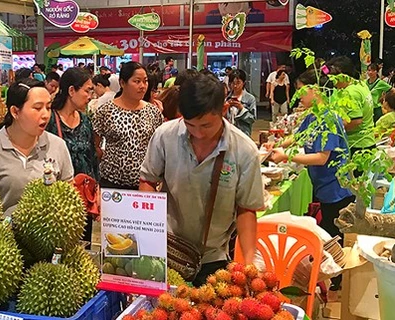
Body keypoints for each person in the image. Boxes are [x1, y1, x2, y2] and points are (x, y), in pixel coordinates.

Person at [139, 74, 264, 286]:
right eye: (190, 125)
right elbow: (148, 180)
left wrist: (251, 261)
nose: (197, 133)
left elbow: (246, 209)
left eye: (206, 125)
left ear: (223, 111)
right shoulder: (165, 136)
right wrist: (150, 229)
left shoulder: (244, 150)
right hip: (168, 248)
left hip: (213, 256)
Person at [267, 69, 354, 293]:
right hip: (324, 185)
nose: (299, 97)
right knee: (326, 229)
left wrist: (286, 156)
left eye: (301, 91)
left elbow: (321, 157)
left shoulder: (329, 117)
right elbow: (298, 136)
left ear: (314, 90)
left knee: (332, 234)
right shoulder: (314, 114)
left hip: (336, 186)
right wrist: (276, 146)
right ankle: (327, 277)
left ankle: (335, 279)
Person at [0, 79, 74, 216]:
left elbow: (69, 196)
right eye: (38, 108)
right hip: (0, 236)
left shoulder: (58, 146)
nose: (45, 115)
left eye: (48, 107)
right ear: (15, 112)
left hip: (48, 234)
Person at [46, 68, 99, 245]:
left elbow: (92, 157)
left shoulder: (86, 122)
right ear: (71, 91)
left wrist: (96, 189)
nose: (90, 96)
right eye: (87, 90)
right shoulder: (50, 120)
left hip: (84, 199)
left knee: (83, 246)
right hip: (58, 201)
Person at [93, 61, 163, 190]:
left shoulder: (153, 112)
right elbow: (95, 144)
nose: (143, 86)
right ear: (122, 83)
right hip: (111, 183)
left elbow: (158, 147)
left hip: (144, 184)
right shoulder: (106, 110)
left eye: (145, 81)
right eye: (137, 81)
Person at [327, 56, 375, 156]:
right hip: (367, 141)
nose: (333, 83)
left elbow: (355, 121)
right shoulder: (360, 84)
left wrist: (332, 129)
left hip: (356, 145)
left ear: (341, 75)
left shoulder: (350, 92)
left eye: (333, 78)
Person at [225, 69, 256, 137]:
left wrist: (241, 108)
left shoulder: (250, 99)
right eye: (233, 83)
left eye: (238, 83)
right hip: (229, 134)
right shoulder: (227, 97)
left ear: (244, 83)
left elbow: (252, 119)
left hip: (243, 134)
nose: (235, 86)